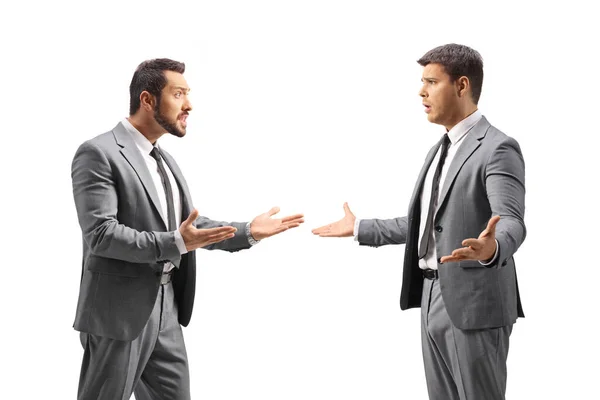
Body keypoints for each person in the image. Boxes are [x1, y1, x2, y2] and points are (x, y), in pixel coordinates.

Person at [71, 58, 304, 400]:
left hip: (168, 308)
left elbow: (186, 227)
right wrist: (176, 242)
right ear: (147, 100)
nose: (189, 105)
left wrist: (247, 230)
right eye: (178, 94)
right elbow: (102, 235)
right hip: (118, 313)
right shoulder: (99, 153)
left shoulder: (162, 159)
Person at [312, 44, 526, 400]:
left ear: (461, 86)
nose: (421, 91)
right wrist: (359, 227)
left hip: (474, 301)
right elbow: (427, 225)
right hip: (431, 295)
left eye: (431, 81)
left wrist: (493, 247)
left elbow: (512, 220)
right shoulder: (439, 149)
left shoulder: (497, 147)